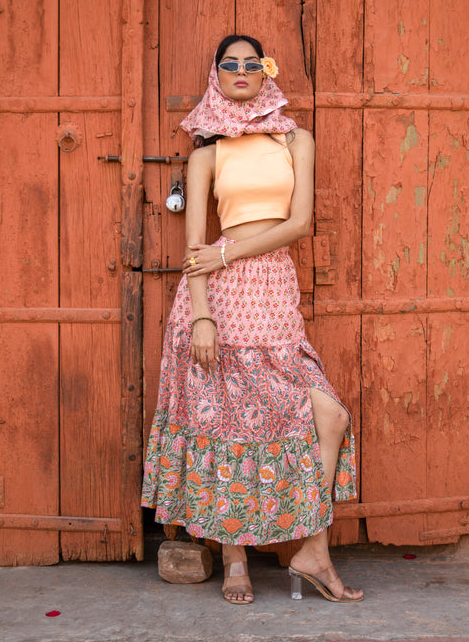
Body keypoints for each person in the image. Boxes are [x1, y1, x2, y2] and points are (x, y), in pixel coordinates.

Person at [141, 35, 363, 605]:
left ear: (266, 74)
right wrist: (201, 319)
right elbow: (194, 245)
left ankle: (312, 549)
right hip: (219, 299)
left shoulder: (296, 139)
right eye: (229, 65)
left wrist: (228, 254)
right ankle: (235, 560)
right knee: (228, 429)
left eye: (251, 64)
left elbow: (299, 223)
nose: (240, 72)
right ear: (217, 76)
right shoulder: (206, 153)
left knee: (330, 416)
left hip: (271, 289)